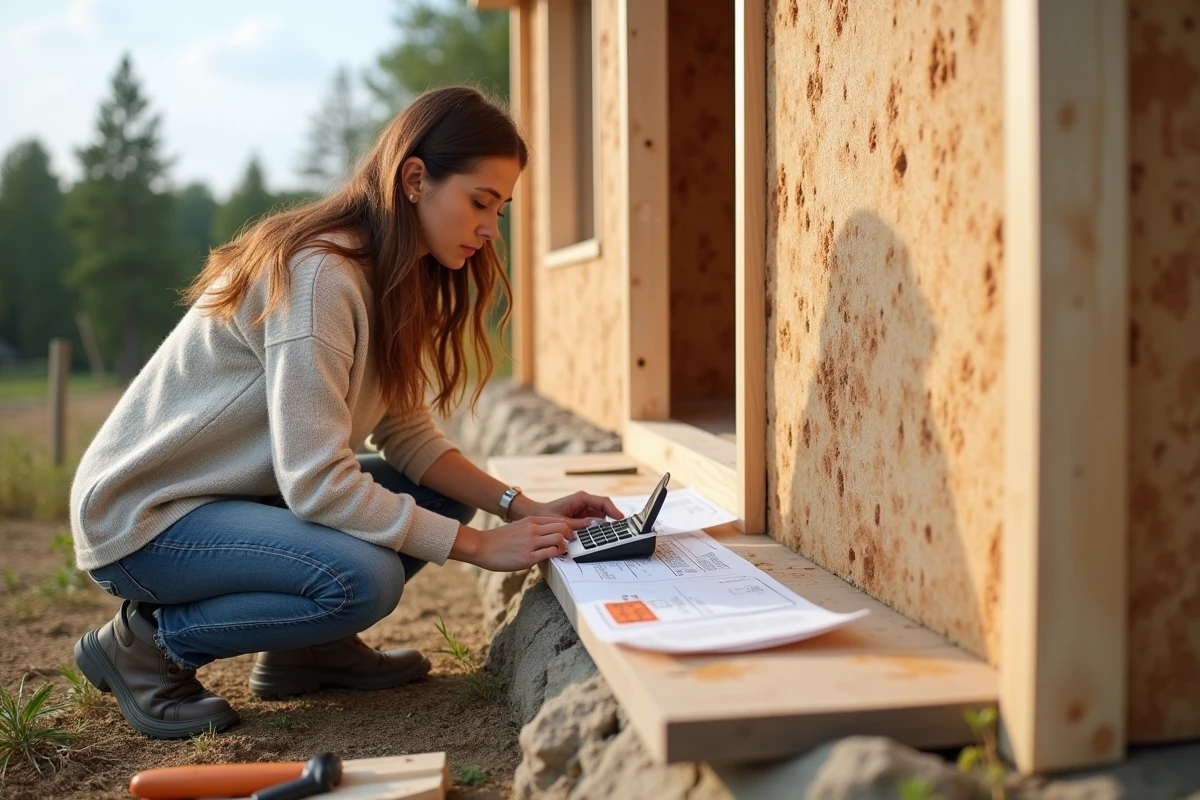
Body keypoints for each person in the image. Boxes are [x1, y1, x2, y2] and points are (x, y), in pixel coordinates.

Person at [68, 85, 621, 739]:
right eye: (480, 202)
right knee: (364, 578)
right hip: (147, 518)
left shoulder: (397, 277)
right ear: (415, 179)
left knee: (430, 495)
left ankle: (309, 650)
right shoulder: (320, 275)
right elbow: (315, 481)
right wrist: (477, 547)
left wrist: (521, 509)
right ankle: (148, 643)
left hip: (234, 499)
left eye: (500, 209)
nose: (490, 228)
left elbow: (406, 435)